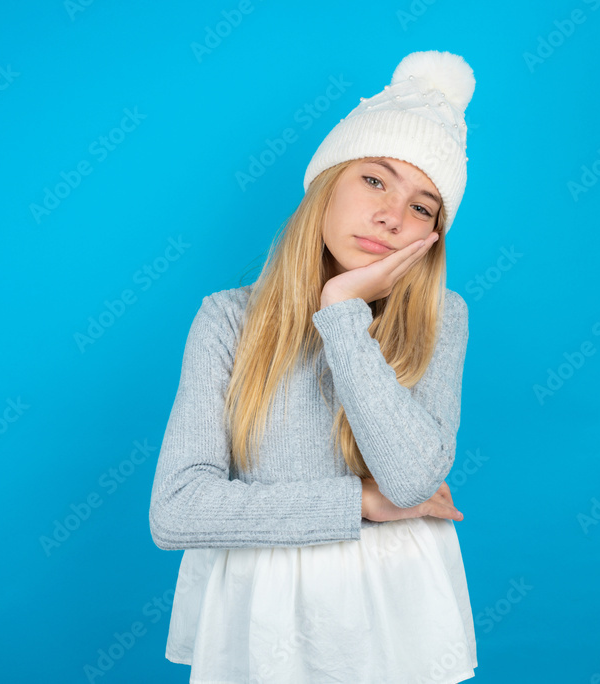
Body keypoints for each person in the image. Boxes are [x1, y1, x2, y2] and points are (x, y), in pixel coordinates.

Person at [149, 49, 478, 683]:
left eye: (422, 206)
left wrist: (341, 315)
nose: (391, 216)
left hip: (394, 604)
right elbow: (177, 510)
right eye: (375, 180)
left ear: (434, 234)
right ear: (329, 182)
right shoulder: (227, 319)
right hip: (260, 607)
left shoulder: (443, 317)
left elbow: (410, 482)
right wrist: (358, 502)